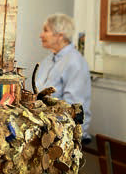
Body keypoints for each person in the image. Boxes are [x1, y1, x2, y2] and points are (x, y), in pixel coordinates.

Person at [36, 13, 92, 143]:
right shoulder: (48, 60)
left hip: (67, 135)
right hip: (47, 125)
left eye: (46, 30)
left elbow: (73, 108)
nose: (41, 35)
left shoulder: (75, 62)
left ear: (60, 35)